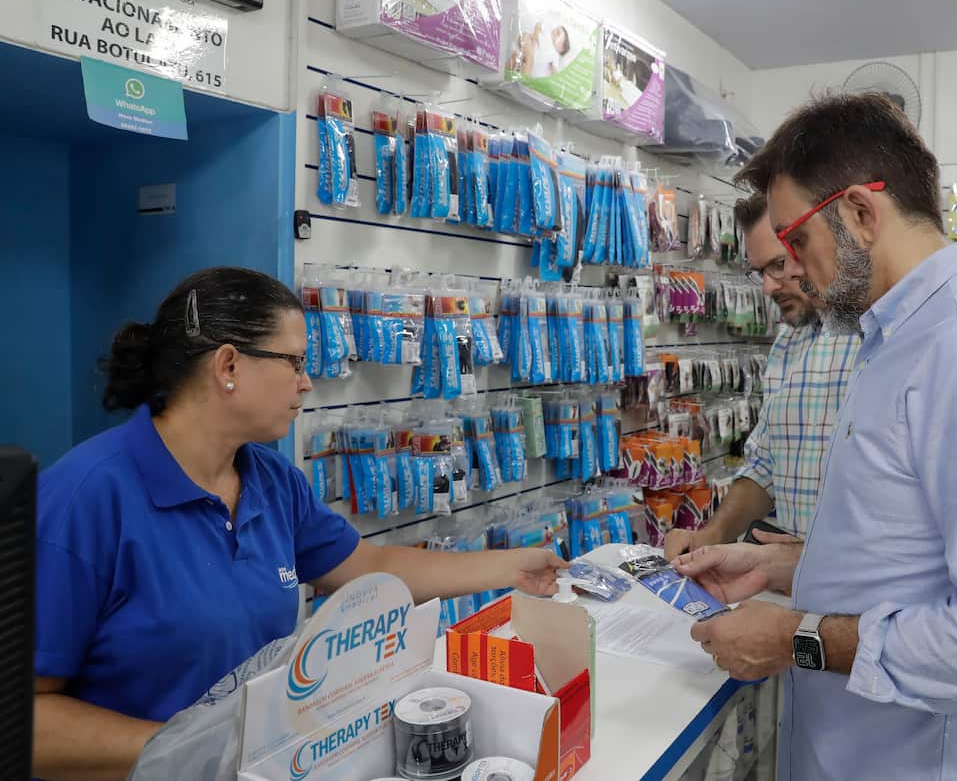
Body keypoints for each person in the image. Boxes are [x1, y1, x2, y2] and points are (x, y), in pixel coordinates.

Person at [675, 93, 957, 780]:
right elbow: (919, 546)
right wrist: (790, 569)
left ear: (860, 214)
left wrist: (797, 638)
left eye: (796, 240)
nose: (791, 270)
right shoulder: (899, 339)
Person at [33, 267, 567, 780]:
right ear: (228, 366)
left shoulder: (269, 479)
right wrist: (193, 754)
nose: (307, 383)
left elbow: (367, 565)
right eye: (293, 362)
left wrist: (509, 566)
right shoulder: (84, 500)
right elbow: (29, 722)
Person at [664, 193, 857, 558]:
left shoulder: (876, 339)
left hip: (874, 603)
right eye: (761, 272)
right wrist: (712, 535)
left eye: (779, 264)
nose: (768, 287)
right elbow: (766, 462)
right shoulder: (788, 341)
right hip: (799, 594)